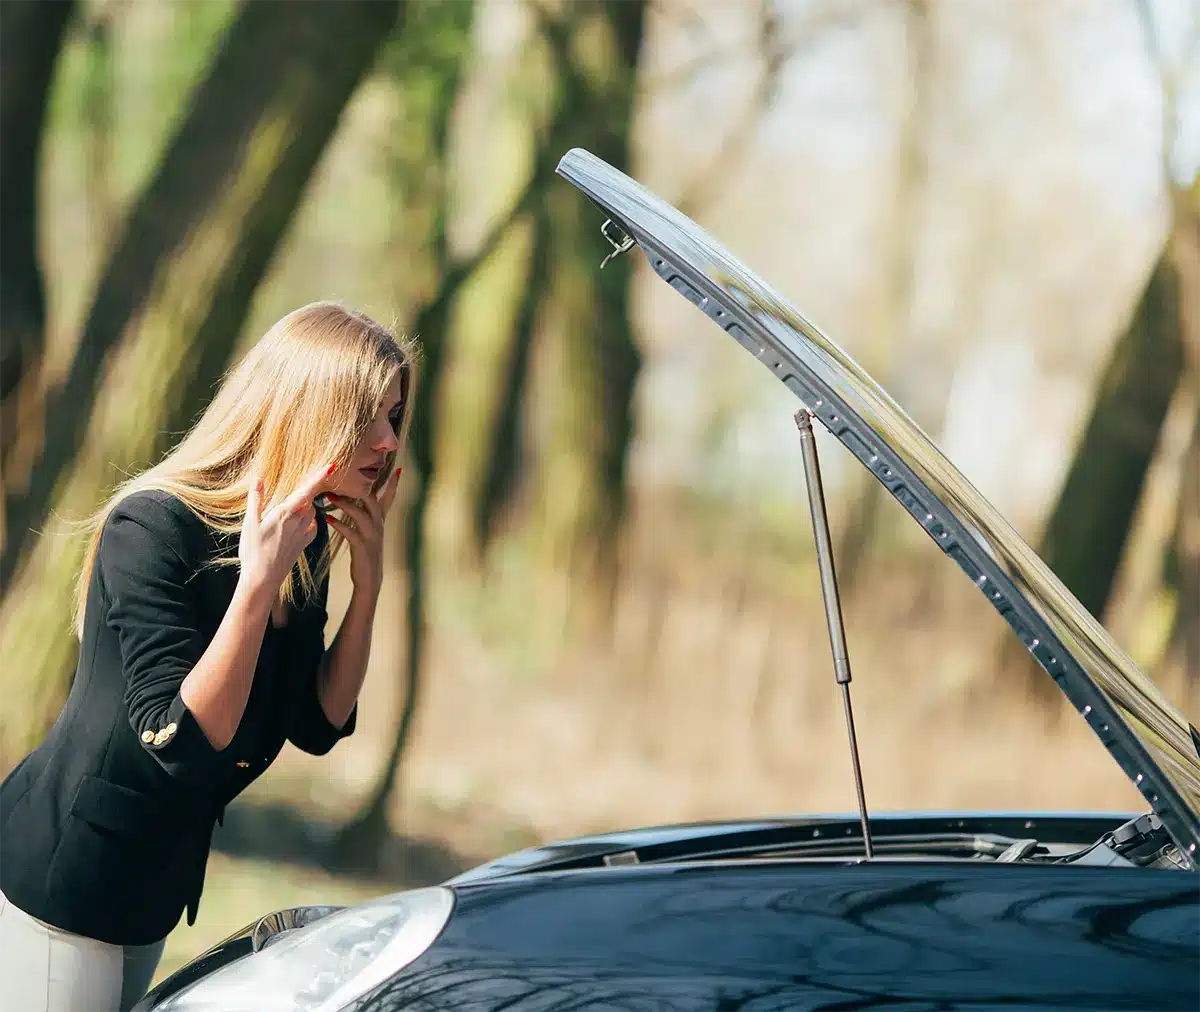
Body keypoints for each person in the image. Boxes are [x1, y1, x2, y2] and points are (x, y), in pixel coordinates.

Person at [0, 301, 416, 1012]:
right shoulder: (153, 525)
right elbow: (186, 739)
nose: (387, 442)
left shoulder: (304, 537)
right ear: (308, 412)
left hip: (153, 886)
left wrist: (369, 586)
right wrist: (256, 586)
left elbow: (317, 723)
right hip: (70, 880)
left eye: (393, 416)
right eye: (368, 417)